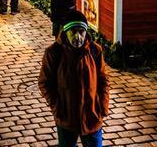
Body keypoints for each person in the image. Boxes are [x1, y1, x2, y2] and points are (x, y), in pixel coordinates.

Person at [38, 9, 109, 147]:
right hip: (67, 118)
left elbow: (103, 80)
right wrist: (57, 108)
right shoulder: (54, 52)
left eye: (81, 32)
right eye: (73, 31)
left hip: (92, 117)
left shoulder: (95, 50)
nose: (78, 36)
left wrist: (102, 106)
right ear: (66, 32)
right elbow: (45, 82)